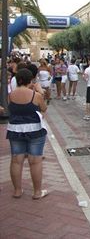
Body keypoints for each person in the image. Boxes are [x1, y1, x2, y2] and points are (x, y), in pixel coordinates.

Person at [7, 68, 48, 199]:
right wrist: (40, 91)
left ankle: (17, 191)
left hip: (15, 129)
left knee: (16, 160)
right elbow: (44, 108)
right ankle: (37, 192)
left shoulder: (11, 95)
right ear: (31, 80)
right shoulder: (35, 95)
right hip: (35, 129)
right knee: (35, 161)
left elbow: (12, 108)